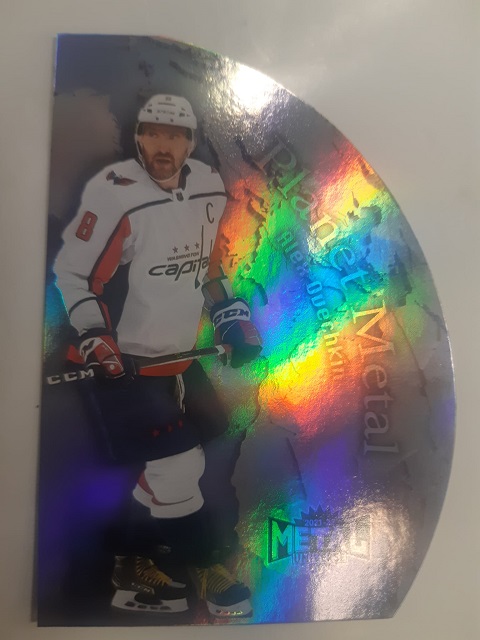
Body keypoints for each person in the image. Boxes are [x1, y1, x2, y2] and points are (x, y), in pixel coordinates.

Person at [54, 94, 262, 617]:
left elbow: (205, 262)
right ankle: (207, 566)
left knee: (188, 456)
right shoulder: (114, 192)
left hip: (180, 357)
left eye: (174, 135)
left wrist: (227, 313)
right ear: (138, 137)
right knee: (179, 466)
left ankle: (130, 564)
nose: (163, 145)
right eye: (152, 133)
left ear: (190, 143)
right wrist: (95, 334)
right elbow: (74, 272)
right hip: (128, 363)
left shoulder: (208, 185)